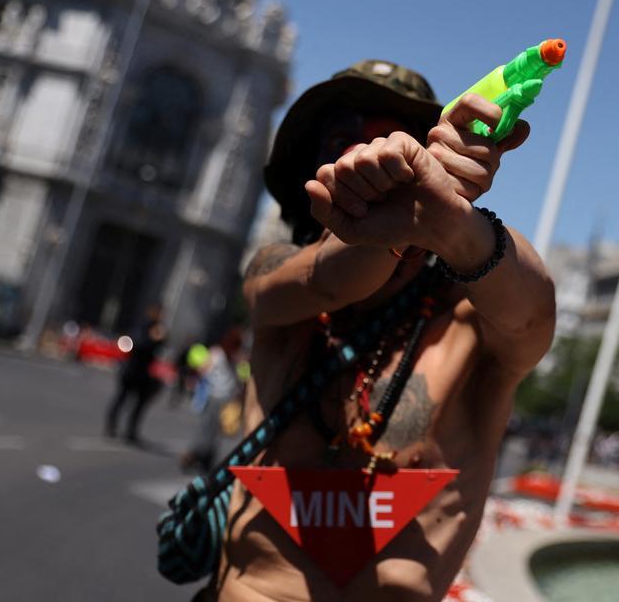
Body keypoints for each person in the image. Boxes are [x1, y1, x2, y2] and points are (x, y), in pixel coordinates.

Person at [206, 59, 556, 601]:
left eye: (393, 142)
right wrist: (390, 224)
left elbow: (532, 315)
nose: (365, 157)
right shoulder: (278, 278)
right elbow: (327, 281)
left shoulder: (470, 324)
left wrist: (452, 225)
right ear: (308, 171)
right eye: (344, 141)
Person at [180, 327, 245, 473]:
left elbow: (237, 378)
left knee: (214, 430)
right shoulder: (218, 354)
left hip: (224, 397)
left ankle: (204, 459)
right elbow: (204, 369)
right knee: (207, 429)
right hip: (215, 396)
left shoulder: (231, 357)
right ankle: (193, 456)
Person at [104, 304, 167, 444]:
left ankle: (131, 431)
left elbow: (160, 348)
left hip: (145, 374)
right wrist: (152, 339)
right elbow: (135, 344)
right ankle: (111, 425)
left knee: (140, 404)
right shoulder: (143, 327)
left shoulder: (159, 329)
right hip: (132, 370)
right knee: (121, 398)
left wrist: (159, 339)